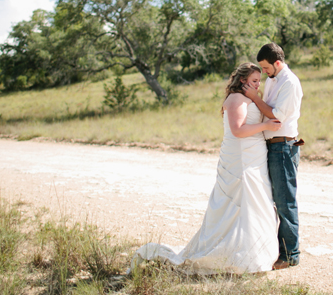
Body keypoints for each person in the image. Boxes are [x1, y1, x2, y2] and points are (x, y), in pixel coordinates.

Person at [129, 63, 282, 274]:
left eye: (259, 80)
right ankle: (234, 254)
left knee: (256, 202)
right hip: (240, 158)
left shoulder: (251, 98)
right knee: (239, 203)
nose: (258, 84)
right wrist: (266, 126)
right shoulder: (236, 99)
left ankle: (255, 252)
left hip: (254, 156)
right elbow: (238, 130)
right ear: (242, 81)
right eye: (254, 81)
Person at [243, 42, 303, 270]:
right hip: (271, 146)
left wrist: (256, 98)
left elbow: (276, 116)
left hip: (284, 147)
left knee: (285, 202)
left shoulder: (290, 83)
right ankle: (277, 250)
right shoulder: (272, 80)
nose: (265, 72)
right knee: (272, 201)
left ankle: (291, 255)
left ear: (277, 63)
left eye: (267, 68)